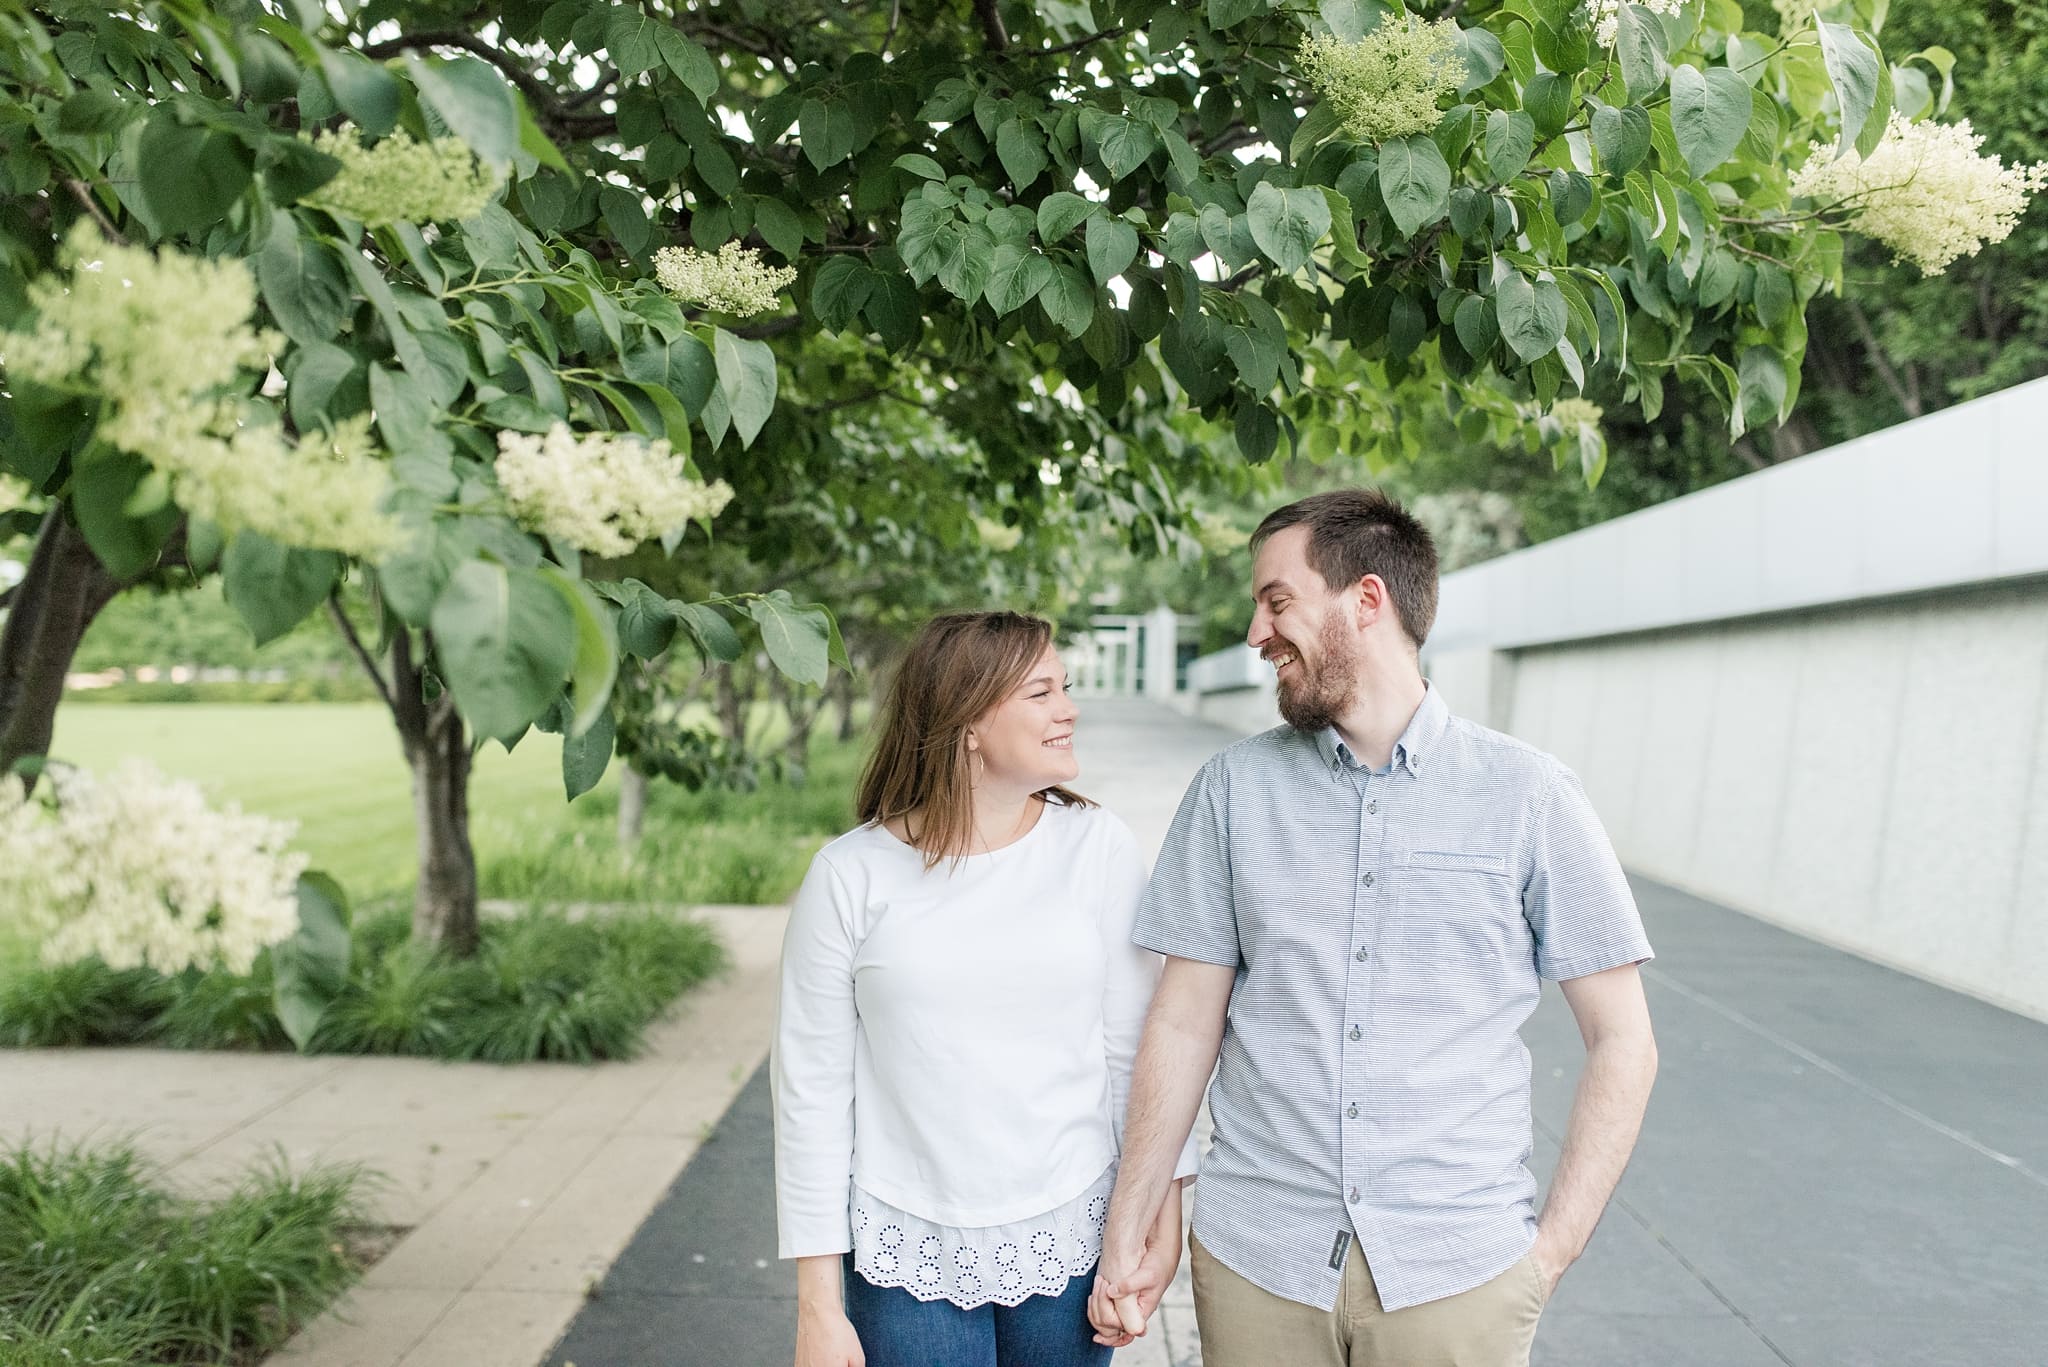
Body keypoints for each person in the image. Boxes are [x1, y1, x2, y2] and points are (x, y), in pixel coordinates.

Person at [1088, 489, 1660, 1366]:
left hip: (1459, 1272)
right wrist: (1132, 1222)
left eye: (1277, 600)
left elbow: (1623, 1038)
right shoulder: (1231, 791)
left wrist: (1547, 1255)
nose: (1254, 631)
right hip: (1257, 1264)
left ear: (1366, 599)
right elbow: (1182, 1019)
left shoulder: (1531, 796)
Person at [773, 610, 1196, 1367]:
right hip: (905, 1248)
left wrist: (1157, 1211)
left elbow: (1136, 1049)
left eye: (1063, 687)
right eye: (1041, 692)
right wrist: (817, 1306)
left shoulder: (1096, 848)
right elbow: (810, 1094)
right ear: (968, 719)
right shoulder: (849, 876)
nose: (1068, 707)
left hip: (1070, 1234)